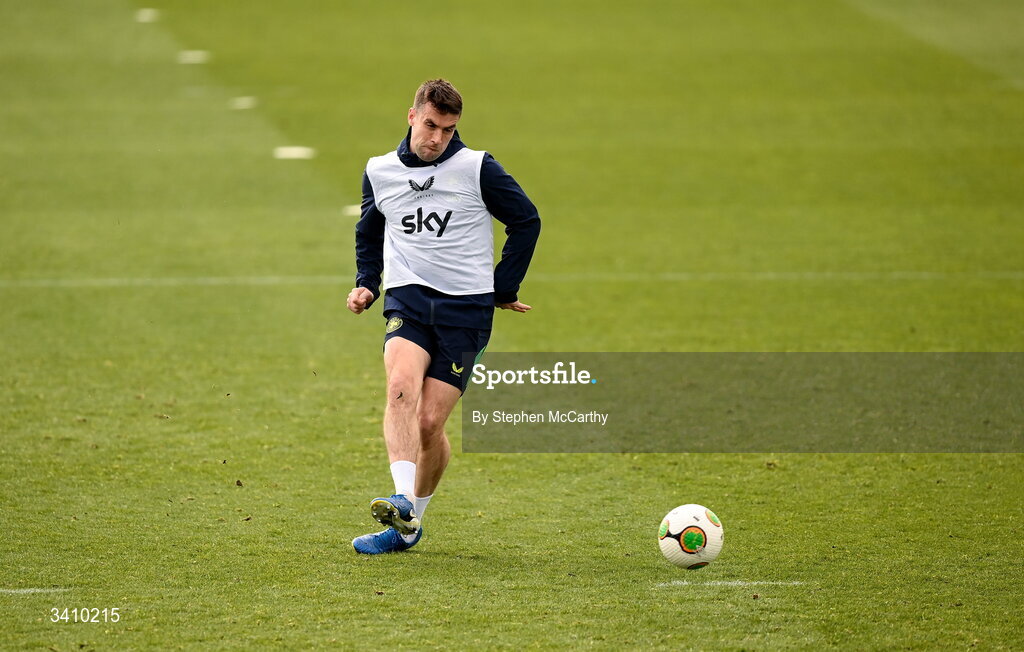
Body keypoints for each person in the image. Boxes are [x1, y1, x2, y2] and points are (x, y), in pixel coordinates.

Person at [347, 79, 541, 554]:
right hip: (408, 299)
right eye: (431, 125)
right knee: (400, 389)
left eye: (448, 130)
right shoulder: (379, 171)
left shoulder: (478, 168)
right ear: (412, 116)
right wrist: (368, 281)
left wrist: (503, 288)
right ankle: (400, 498)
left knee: (431, 424)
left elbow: (526, 220)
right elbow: (369, 231)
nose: (437, 138)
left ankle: (410, 524)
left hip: (466, 309)